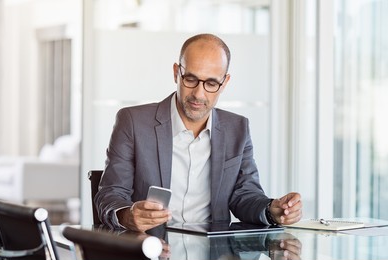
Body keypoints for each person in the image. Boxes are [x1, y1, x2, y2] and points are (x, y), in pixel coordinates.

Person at [95, 33, 302, 232]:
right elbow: (110, 194)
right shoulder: (133, 122)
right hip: (151, 251)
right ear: (177, 72)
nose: (198, 94)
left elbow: (245, 196)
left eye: (211, 83)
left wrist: (271, 209)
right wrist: (126, 215)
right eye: (191, 79)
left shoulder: (237, 128)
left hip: (213, 253)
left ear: (225, 83)